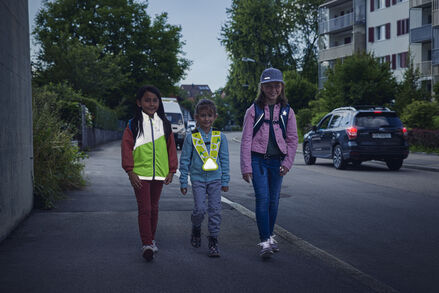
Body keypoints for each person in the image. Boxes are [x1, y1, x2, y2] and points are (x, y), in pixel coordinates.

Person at [240, 68, 298, 259]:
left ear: (281, 87)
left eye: (277, 85)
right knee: (263, 199)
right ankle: (265, 241)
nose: (273, 89)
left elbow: (292, 139)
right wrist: (246, 167)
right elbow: (246, 139)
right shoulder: (253, 110)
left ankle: (270, 236)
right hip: (257, 161)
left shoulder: (287, 111)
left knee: (274, 202)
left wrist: (288, 163)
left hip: (277, 162)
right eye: (269, 86)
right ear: (262, 87)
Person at [121, 85, 178, 262]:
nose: (151, 103)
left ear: (159, 102)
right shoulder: (133, 124)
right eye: (147, 100)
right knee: (144, 208)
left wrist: (171, 170)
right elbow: (126, 148)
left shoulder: (165, 124)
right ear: (139, 103)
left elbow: (171, 149)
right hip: (140, 174)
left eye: (154, 100)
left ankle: (151, 240)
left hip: (159, 174)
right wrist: (130, 171)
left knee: (154, 208)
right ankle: (146, 243)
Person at [179, 99, 230, 257]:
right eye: (202, 115)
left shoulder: (220, 137)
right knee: (200, 209)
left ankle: (213, 241)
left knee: (215, 211)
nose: (206, 119)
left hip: (215, 179)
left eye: (209, 115)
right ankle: (196, 227)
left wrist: (225, 180)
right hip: (198, 179)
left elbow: (225, 160)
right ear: (196, 117)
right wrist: (183, 181)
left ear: (215, 117)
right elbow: (185, 160)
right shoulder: (190, 137)